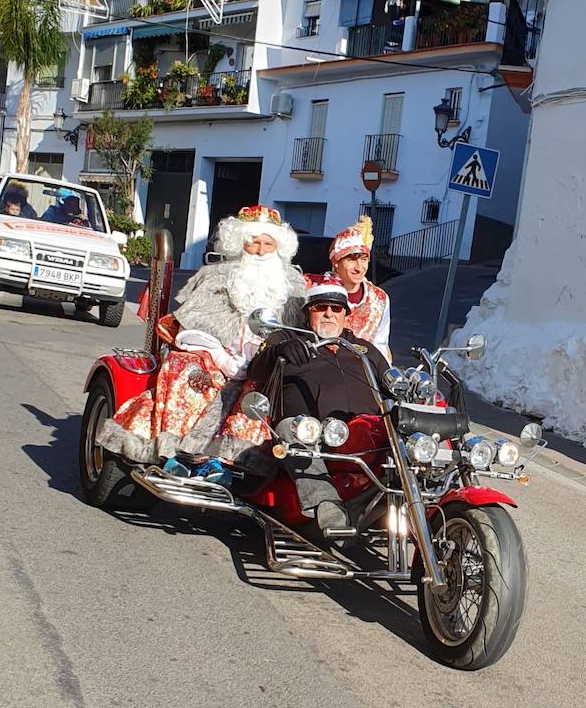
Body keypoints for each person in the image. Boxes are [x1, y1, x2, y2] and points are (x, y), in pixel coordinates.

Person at [98, 205, 306, 464]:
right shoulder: (217, 277)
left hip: (266, 365)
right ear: (240, 244)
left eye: (268, 244)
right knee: (187, 370)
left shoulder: (294, 288)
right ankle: (172, 451)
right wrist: (222, 358)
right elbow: (192, 328)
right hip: (213, 359)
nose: (261, 251)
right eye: (254, 243)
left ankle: (234, 460)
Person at [245, 278, 392, 532]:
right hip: (313, 433)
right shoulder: (289, 339)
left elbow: (392, 385)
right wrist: (279, 350)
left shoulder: (363, 349)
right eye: (320, 307)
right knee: (292, 429)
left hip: (365, 432)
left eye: (336, 309)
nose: (328, 314)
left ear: (346, 315)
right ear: (307, 312)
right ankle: (327, 504)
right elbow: (257, 370)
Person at [309, 216, 392, 361]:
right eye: (351, 259)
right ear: (336, 262)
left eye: (364, 259)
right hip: (319, 368)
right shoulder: (314, 289)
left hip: (362, 373)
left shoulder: (379, 298)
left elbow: (381, 344)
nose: (359, 268)